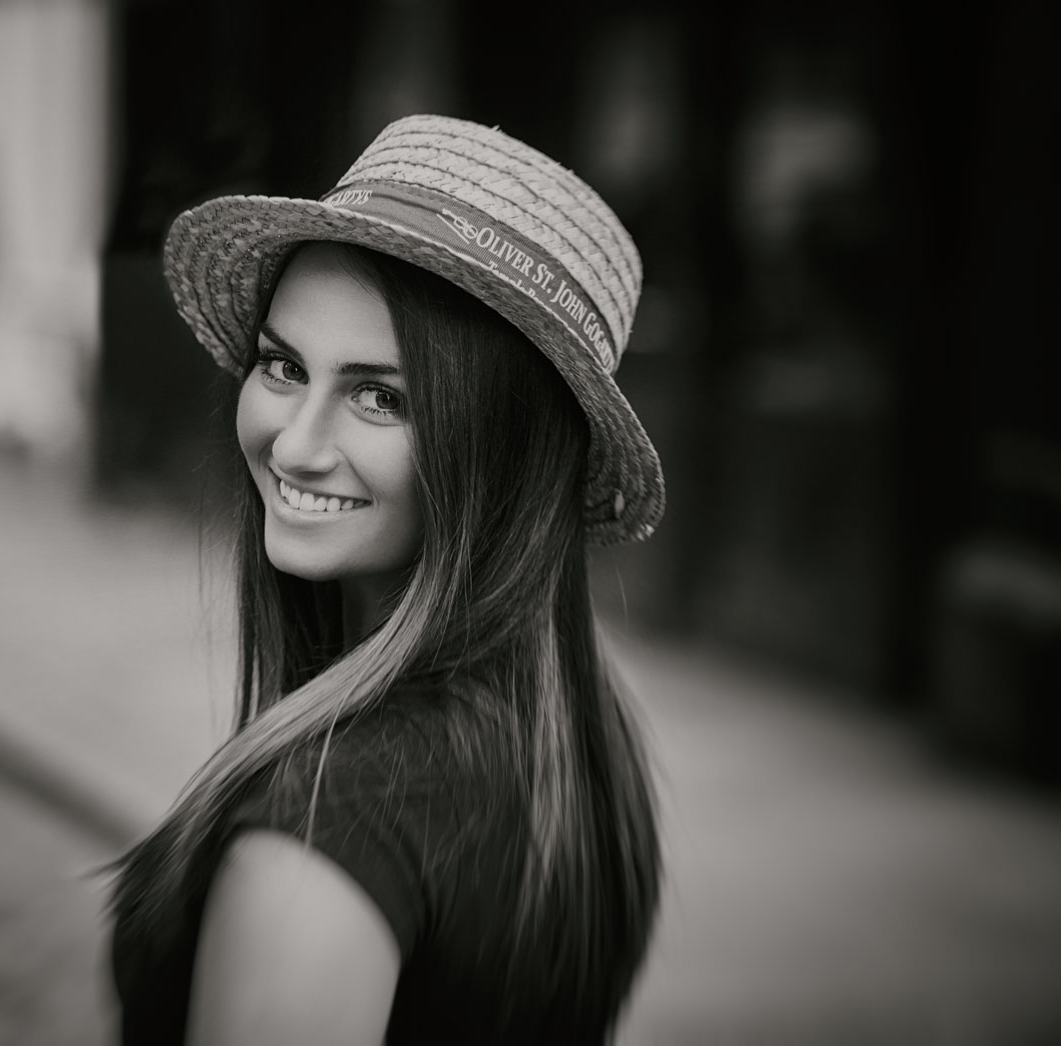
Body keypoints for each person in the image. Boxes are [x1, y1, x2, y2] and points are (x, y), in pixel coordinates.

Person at [108, 115, 666, 1044]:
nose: (294, 443)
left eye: (380, 396)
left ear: (502, 451)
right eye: (283, 366)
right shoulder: (575, 731)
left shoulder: (329, 826)